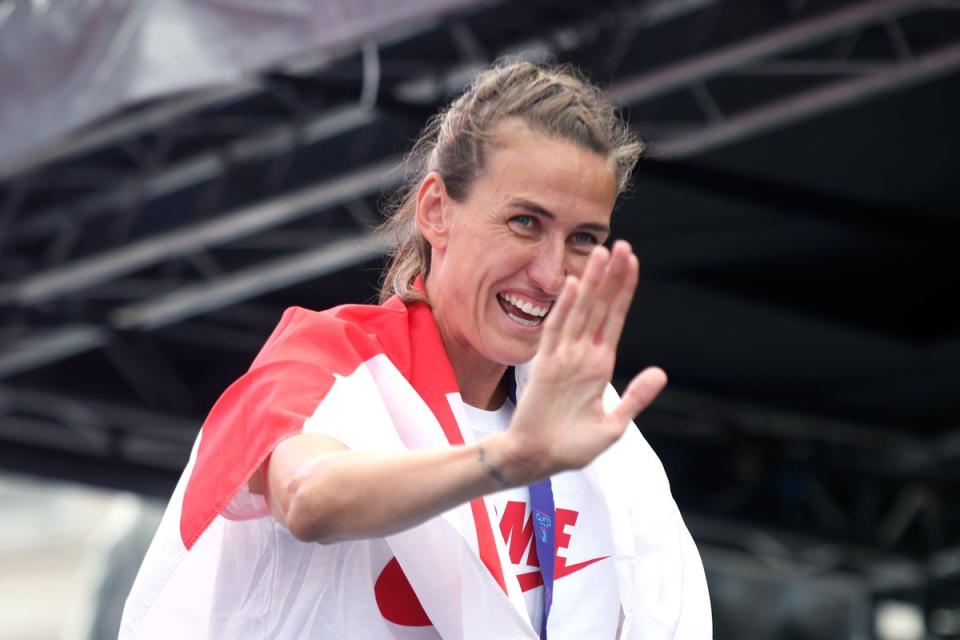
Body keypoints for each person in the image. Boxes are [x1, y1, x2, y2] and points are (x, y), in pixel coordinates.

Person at [120, 59, 711, 639]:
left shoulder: (599, 436)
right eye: (526, 222)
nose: (552, 275)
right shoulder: (331, 358)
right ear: (436, 210)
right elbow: (307, 497)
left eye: (583, 238)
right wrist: (507, 460)